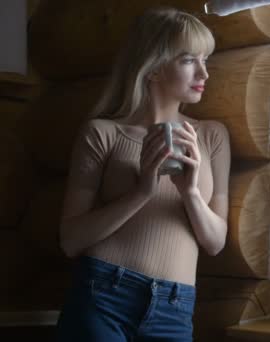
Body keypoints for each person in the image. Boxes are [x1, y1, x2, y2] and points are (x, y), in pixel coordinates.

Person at [55, 7, 230, 341]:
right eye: (189, 60)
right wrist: (141, 192)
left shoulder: (211, 136)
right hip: (102, 295)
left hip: (174, 308)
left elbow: (215, 243)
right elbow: (71, 241)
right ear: (153, 67)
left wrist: (190, 192)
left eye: (205, 59)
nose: (204, 73)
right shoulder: (102, 133)